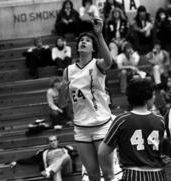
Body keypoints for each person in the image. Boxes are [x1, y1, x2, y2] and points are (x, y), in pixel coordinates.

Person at [63, 17, 114, 181]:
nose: (83, 42)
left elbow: (109, 61)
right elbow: (67, 99)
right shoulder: (68, 70)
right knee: (92, 175)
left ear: (93, 48)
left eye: (87, 41)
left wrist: (99, 36)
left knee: (108, 174)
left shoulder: (97, 64)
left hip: (100, 124)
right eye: (81, 40)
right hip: (80, 127)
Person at [98, 78, 167, 181]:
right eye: (153, 94)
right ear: (146, 98)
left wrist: (110, 176)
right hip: (158, 175)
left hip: (132, 175)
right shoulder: (160, 120)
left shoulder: (121, 120)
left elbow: (102, 152)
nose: (154, 97)